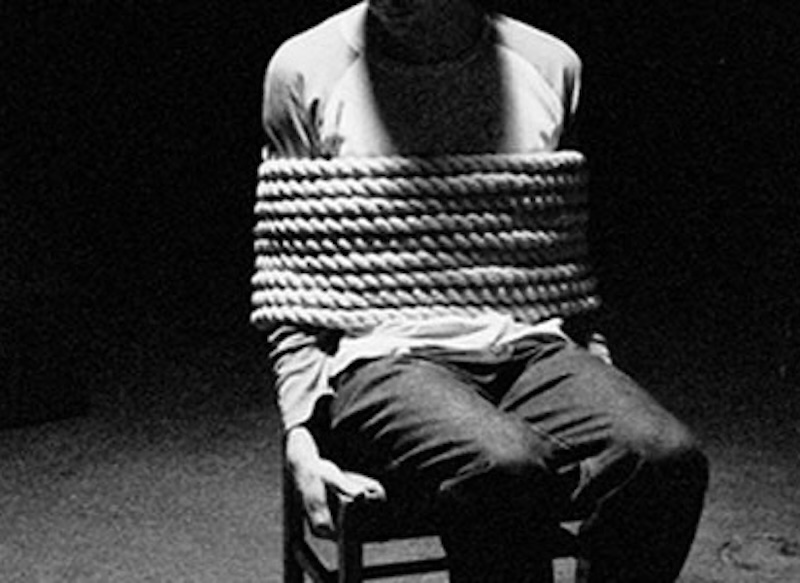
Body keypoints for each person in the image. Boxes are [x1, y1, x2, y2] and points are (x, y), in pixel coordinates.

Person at [257, 1, 709, 581]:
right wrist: (300, 432)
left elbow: (561, 266)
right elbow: (291, 279)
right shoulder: (306, 68)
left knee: (666, 456)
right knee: (507, 467)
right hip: (380, 359)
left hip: (531, 348)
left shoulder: (549, 66)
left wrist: (600, 373)